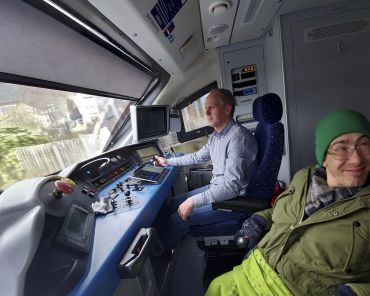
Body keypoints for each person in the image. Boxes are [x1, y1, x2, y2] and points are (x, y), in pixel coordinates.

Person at [205, 109, 370, 296]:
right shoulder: (304, 177)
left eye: (364, 145)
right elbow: (284, 212)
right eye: (341, 148)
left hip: (289, 290)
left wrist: (357, 292)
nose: (357, 159)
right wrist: (260, 219)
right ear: (324, 157)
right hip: (254, 265)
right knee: (215, 287)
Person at [154, 88, 258, 250]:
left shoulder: (238, 138)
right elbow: (197, 157)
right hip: (218, 189)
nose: (206, 112)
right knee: (175, 203)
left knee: (177, 218)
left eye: (212, 107)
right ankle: (170, 240)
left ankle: (159, 254)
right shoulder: (217, 135)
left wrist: (193, 201)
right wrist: (168, 162)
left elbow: (231, 188)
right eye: (205, 108)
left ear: (227, 109)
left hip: (234, 201)